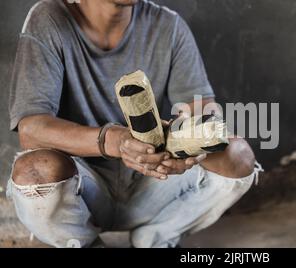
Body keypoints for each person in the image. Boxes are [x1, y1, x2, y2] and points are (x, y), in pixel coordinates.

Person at [7, 0, 260, 248]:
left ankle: (157, 237)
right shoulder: (50, 18)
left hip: (152, 181)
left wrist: (184, 145)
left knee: (236, 155)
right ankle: (84, 243)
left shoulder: (168, 25)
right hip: (84, 187)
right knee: (34, 170)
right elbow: (32, 129)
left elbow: (204, 110)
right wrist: (116, 142)